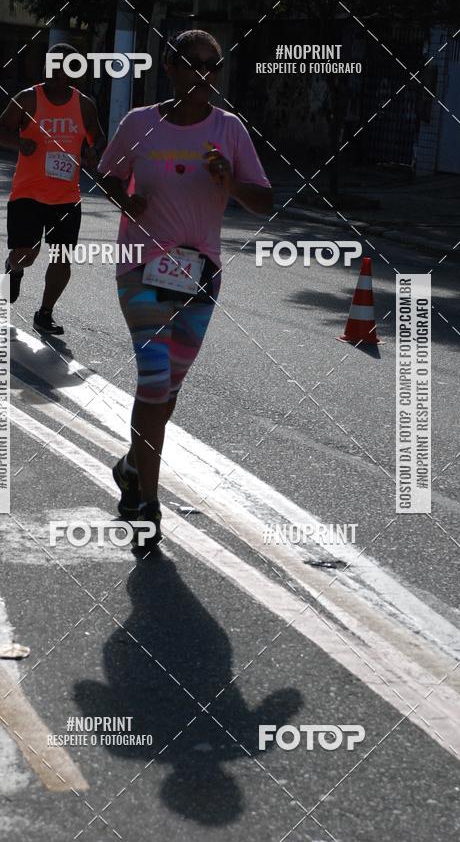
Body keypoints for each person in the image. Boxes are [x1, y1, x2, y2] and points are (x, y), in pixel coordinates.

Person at [97, 29, 273, 550]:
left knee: (168, 390)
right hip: (141, 269)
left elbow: (263, 202)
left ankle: (132, 466)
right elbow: (107, 174)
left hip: (201, 276)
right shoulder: (138, 124)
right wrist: (128, 202)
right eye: (192, 63)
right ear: (169, 68)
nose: (203, 75)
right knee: (153, 382)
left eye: (212, 66)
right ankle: (147, 504)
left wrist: (230, 181)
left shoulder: (230, 130)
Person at [0, 43, 105, 334]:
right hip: (28, 192)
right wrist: (19, 143)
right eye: (52, 65)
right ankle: (13, 268)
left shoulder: (84, 105)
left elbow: (97, 139)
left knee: (61, 256)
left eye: (65, 66)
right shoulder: (28, 99)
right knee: (25, 253)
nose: (56, 72)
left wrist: (92, 154)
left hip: (66, 197)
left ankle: (44, 313)